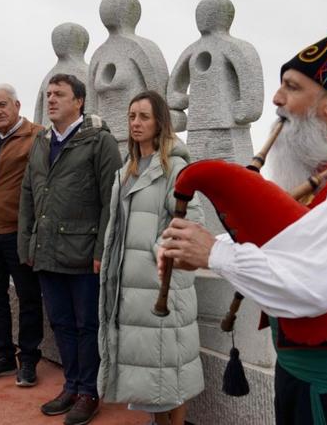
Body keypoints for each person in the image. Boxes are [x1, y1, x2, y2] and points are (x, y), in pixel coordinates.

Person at [159, 0, 327, 425]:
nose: (276, 98)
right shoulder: (320, 170)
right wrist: (197, 244)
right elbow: (289, 246)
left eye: (291, 86)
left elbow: (315, 285)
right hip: (295, 370)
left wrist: (215, 254)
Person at [18, 73, 121, 425]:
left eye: (58, 94)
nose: (50, 100)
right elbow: (28, 195)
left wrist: (100, 251)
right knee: (60, 322)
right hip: (46, 251)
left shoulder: (99, 141)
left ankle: (89, 392)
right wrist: (27, 243)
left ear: (78, 100)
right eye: (48, 94)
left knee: (87, 325)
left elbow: (112, 200)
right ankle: (71, 385)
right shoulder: (42, 142)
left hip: (83, 253)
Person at [97, 91, 204, 425]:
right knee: (150, 370)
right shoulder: (125, 171)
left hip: (162, 285)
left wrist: (157, 250)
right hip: (130, 289)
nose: (135, 123)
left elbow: (191, 221)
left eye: (144, 116)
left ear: (160, 122)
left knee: (170, 371)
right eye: (131, 116)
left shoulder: (175, 168)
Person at [0, 84, 44, 386]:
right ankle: (2, 355)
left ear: (17, 104)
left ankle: (28, 359)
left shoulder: (37, 135)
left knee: (28, 297)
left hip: (18, 229)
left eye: (3, 104)